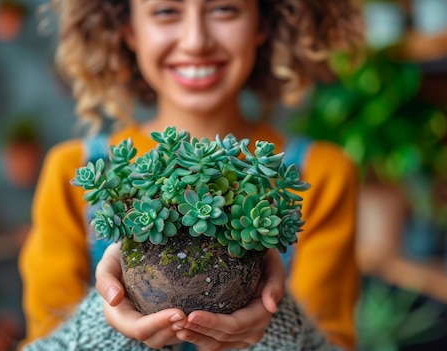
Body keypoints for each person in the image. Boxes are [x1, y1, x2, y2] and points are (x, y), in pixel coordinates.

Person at [19, 0, 363, 350]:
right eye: (166, 11)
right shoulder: (73, 170)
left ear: (263, 22)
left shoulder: (322, 174)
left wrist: (272, 319)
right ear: (129, 29)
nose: (196, 41)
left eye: (224, 9)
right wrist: (114, 318)